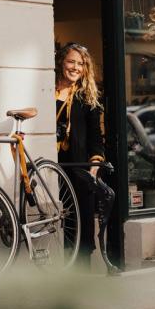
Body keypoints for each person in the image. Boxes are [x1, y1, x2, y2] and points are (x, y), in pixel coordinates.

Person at [55, 42, 105, 268]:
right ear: (61, 63)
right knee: (58, 217)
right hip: (53, 165)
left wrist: (95, 164)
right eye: (71, 62)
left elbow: (96, 135)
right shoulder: (48, 90)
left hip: (79, 165)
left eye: (81, 64)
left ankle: (81, 270)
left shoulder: (87, 96)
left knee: (81, 218)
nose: (75, 67)